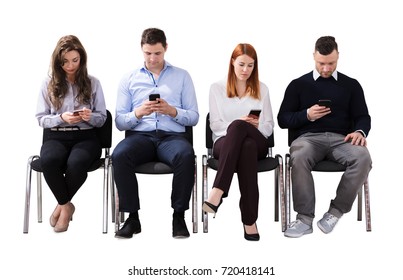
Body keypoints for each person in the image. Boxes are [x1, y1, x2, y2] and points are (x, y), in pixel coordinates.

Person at [277, 36, 372, 238]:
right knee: (300, 156)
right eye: (321, 63)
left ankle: (335, 213)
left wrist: (359, 132)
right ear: (314, 56)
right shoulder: (297, 85)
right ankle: (304, 219)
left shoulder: (351, 85)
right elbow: (282, 119)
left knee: (363, 157)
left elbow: (363, 116)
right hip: (308, 139)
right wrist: (306, 115)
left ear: (338, 57)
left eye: (331, 63)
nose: (326, 69)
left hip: (342, 140)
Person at [112, 28, 199, 239]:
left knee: (186, 155)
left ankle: (179, 216)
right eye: (148, 53)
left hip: (172, 137)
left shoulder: (182, 76)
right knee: (119, 155)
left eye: (157, 53)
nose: (152, 58)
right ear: (142, 50)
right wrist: (138, 113)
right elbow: (119, 122)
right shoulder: (129, 79)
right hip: (140, 137)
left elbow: (194, 117)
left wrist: (172, 111)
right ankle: (132, 218)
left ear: (166, 48)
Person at [202, 43, 274, 241]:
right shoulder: (216, 88)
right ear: (232, 62)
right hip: (224, 144)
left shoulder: (263, 89)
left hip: (258, 141)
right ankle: (250, 221)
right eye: (241, 64)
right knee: (244, 142)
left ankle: (217, 192)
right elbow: (215, 125)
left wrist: (252, 127)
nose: (245, 70)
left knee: (244, 132)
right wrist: (238, 126)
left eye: (250, 66)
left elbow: (268, 127)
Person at [35, 35, 107, 232]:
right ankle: (67, 205)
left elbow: (102, 118)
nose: (70, 65)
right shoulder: (48, 83)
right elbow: (41, 118)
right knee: (49, 161)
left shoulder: (94, 83)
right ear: (58, 61)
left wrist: (88, 116)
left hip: (86, 137)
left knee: (77, 163)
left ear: (82, 59)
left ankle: (61, 206)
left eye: (75, 60)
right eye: (65, 61)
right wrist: (61, 118)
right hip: (56, 135)